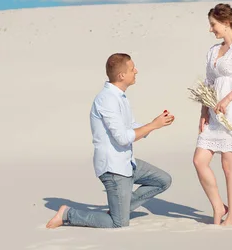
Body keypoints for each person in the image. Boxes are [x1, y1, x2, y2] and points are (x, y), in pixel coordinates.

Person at [46, 53, 175, 229]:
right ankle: (68, 214)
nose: (136, 71)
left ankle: (119, 208)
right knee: (118, 223)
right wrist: (153, 125)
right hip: (114, 169)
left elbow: (129, 127)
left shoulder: (119, 96)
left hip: (127, 163)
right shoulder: (106, 99)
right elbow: (122, 138)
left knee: (163, 180)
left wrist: (156, 122)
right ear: (122, 75)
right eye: (132, 69)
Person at [193, 3, 232, 226]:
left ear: (226, 23)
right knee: (199, 160)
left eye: (213, 25)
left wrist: (227, 99)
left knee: (229, 167)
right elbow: (209, 83)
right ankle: (219, 206)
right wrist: (204, 111)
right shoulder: (212, 51)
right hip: (214, 113)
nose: (211, 29)